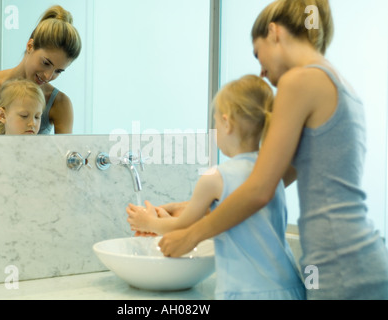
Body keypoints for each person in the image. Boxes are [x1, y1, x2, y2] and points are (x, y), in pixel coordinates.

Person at [158, 0, 388, 300]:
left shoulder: (300, 80)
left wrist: (190, 236)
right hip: (360, 258)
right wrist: (193, 205)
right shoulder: (338, 83)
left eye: (258, 53)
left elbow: (259, 190)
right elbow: (273, 180)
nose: (262, 72)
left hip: (339, 263)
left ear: (274, 32)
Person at [127, 75, 306, 300]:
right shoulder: (271, 172)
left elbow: (183, 228)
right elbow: (232, 215)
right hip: (290, 287)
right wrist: (178, 210)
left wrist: (148, 222)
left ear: (226, 122)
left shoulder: (214, 177)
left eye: (215, 123)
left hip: (246, 292)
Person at [0, 5, 82, 135]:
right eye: (46, 63)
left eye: (58, 71)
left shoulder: (60, 103)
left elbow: (64, 154)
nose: (48, 76)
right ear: (30, 46)